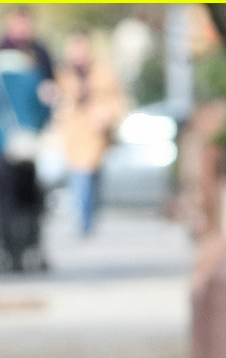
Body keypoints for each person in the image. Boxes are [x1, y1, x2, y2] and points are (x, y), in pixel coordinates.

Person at [0, 44, 52, 271]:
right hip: (24, 148)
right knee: (28, 202)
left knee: (3, 203)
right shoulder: (32, 75)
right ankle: (30, 249)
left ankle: (6, 253)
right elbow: (43, 112)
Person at [54, 32, 126, 235]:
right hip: (73, 133)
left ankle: (87, 215)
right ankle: (84, 217)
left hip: (95, 132)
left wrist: (106, 116)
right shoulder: (63, 74)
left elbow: (117, 100)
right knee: (80, 175)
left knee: (89, 175)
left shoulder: (102, 72)